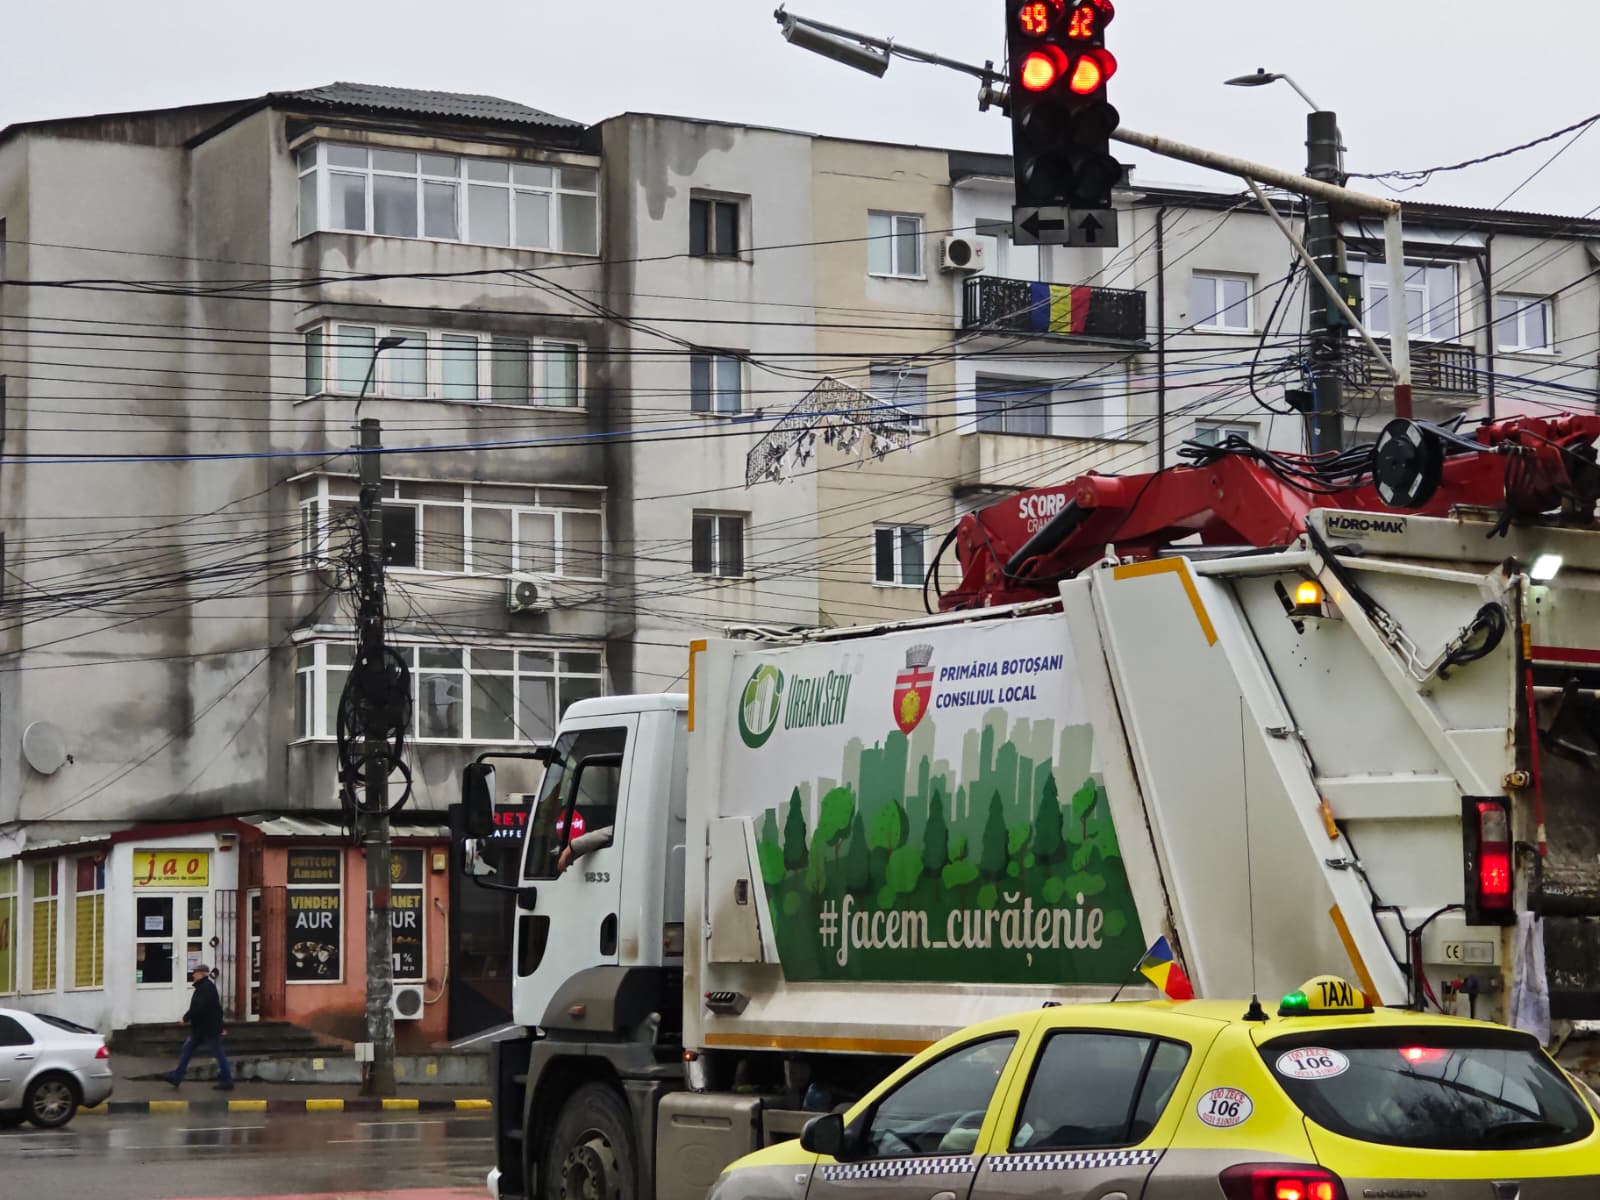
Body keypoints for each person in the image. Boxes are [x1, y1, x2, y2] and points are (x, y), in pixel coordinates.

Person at [165, 964, 234, 1090]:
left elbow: (200, 1008)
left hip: (208, 1029)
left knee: (218, 1053)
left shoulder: (206, 988)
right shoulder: (203, 987)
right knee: (187, 1049)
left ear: (202, 973)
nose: (193, 975)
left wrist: (186, 1018)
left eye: (195, 973)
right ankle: (176, 1077)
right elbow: (200, 1007)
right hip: (201, 1029)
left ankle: (227, 1080)